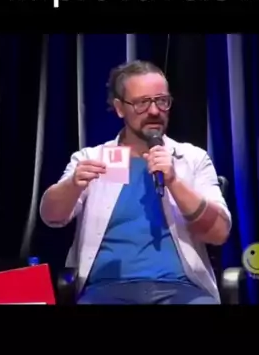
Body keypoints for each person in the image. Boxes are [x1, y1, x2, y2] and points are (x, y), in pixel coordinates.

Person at [39, 60, 231, 304]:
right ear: (120, 108)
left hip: (183, 288)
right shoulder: (92, 158)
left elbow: (218, 233)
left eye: (161, 101)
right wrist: (72, 185)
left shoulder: (192, 159)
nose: (154, 111)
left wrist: (174, 181)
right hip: (106, 289)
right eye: (142, 103)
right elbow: (51, 217)